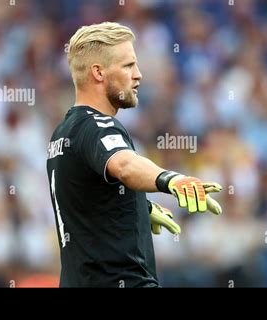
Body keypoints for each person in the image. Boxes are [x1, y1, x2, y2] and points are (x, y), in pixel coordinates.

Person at [46, 22, 222, 287]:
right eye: (128, 66)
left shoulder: (62, 134)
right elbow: (125, 165)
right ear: (98, 72)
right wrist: (170, 180)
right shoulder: (99, 126)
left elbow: (87, 201)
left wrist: (138, 206)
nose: (138, 75)